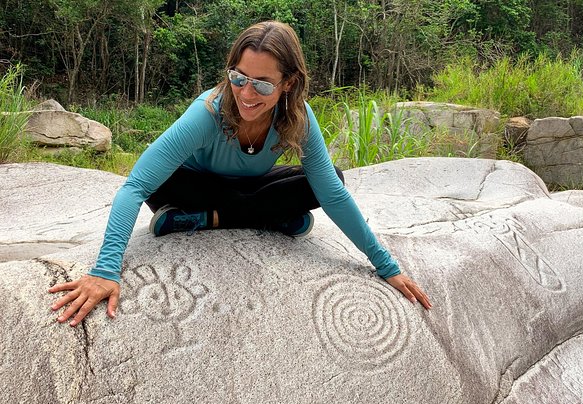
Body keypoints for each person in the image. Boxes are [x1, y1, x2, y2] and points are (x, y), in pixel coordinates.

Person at [48, 21, 432, 326]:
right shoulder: (208, 112)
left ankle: (208, 222)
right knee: (160, 176)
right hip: (192, 189)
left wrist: (386, 266)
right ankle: (267, 219)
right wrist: (105, 270)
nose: (247, 94)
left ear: (288, 84)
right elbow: (134, 187)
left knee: (330, 178)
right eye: (239, 77)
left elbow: (331, 195)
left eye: (263, 83)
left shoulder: (298, 119)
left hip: (245, 189)